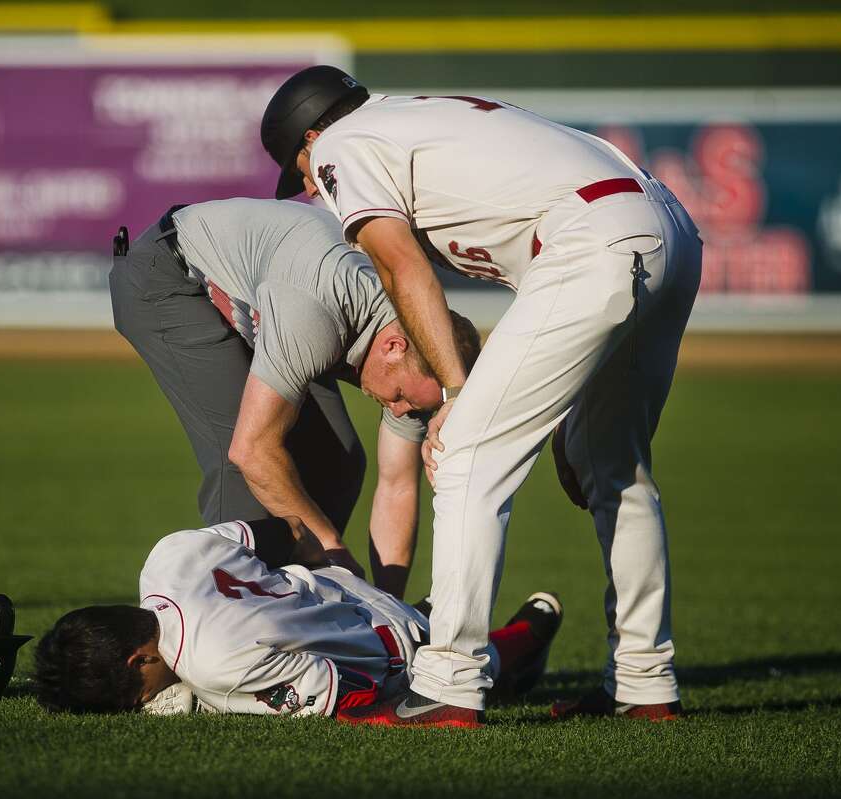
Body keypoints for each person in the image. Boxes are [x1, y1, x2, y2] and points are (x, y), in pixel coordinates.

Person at [260, 67, 703, 726]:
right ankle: (644, 681)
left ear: (313, 133)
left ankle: (449, 682)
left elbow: (398, 265)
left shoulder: (339, 145)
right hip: (664, 228)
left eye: (297, 163)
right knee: (614, 467)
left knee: (464, 451)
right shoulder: (409, 118)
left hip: (591, 240)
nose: (307, 182)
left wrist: (459, 395)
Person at [109, 198, 480, 596]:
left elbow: (398, 486)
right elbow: (250, 452)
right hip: (172, 276)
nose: (401, 410)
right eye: (401, 397)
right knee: (241, 463)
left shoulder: (419, 353)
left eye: (413, 407)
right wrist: (332, 549)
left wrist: (388, 600)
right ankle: (228, 620)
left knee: (337, 462)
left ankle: (305, 608)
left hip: (269, 300)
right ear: (393, 345)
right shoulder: (316, 312)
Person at [32, 516, 562, 722]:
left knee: (467, 675)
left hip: (397, 650)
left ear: (138, 657)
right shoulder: (165, 557)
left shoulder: (213, 666)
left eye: (132, 696)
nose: (141, 703)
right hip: (350, 590)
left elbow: (349, 696)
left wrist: (218, 704)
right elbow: (285, 531)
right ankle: (496, 631)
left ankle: (518, 641)